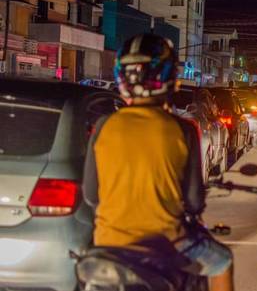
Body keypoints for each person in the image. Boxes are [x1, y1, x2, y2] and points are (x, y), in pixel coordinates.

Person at [83, 34, 233, 291]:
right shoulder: (183, 128)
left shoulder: (104, 126)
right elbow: (194, 200)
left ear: (122, 77)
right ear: (169, 77)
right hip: (167, 243)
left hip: (109, 245)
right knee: (222, 261)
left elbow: (91, 194)